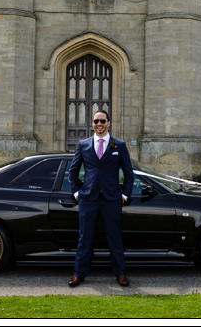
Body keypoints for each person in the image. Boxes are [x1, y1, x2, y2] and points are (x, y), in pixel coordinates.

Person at [67, 109, 134, 287]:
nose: (99, 124)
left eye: (102, 121)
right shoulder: (83, 145)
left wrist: (125, 195)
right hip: (88, 199)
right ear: (92, 124)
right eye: (96, 121)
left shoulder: (119, 145)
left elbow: (129, 173)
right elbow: (73, 172)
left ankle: (120, 273)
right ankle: (78, 274)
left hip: (111, 199)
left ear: (108, 123)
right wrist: (76, 193)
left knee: (115, 237)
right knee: (84, 238)